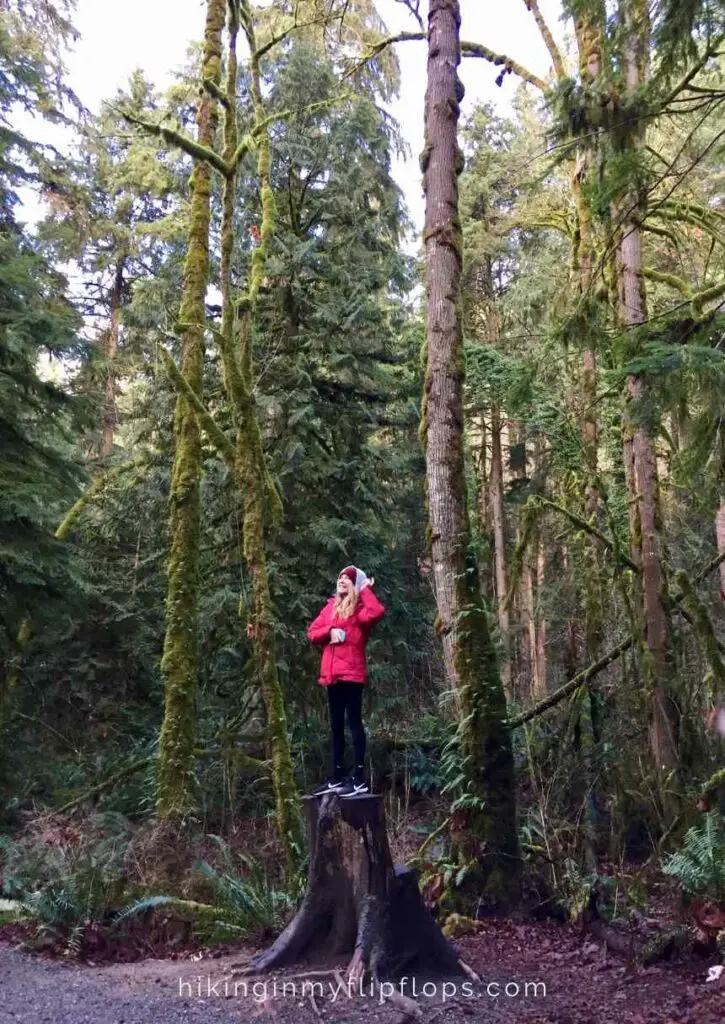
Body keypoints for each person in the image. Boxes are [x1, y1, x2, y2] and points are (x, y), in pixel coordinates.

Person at [307, 565, 385, 796]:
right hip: (332, 676)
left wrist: (364, 589)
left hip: (352, 675)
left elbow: (377, 611)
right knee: (336, 727)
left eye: (348, 578)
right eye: (340, 576)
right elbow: (312, 632)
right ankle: (337, 777)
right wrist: (329, 631)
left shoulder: (360, 609)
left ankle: (359, 778)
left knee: (354, 724)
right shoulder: (331, 607)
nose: (342, 579)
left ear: (355, 584)